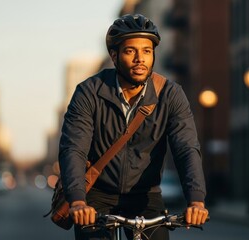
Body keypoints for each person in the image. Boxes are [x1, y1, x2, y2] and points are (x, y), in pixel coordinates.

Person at [59, 14, 209, 240]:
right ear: (114, 55)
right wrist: (79, 201)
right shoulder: (89, 92)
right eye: (131, 51)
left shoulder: (170, 94)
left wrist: (196, 200)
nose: (140, 59)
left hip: (145, 196)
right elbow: (74, 149)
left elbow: (186, 148)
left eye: (147, 51)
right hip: (97, 196)